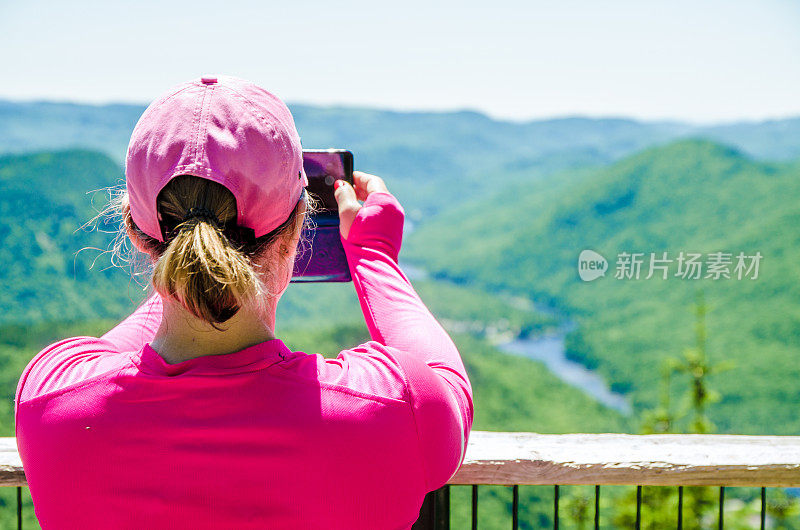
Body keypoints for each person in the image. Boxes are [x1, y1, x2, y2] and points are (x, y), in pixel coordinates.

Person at [14, 75, 474, 529]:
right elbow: (448, 384)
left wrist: (191, 269)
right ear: (299, 228)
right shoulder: (391, 411)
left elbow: (120, 351)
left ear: (135, 234)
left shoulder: (50, 398)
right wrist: (372, 255)